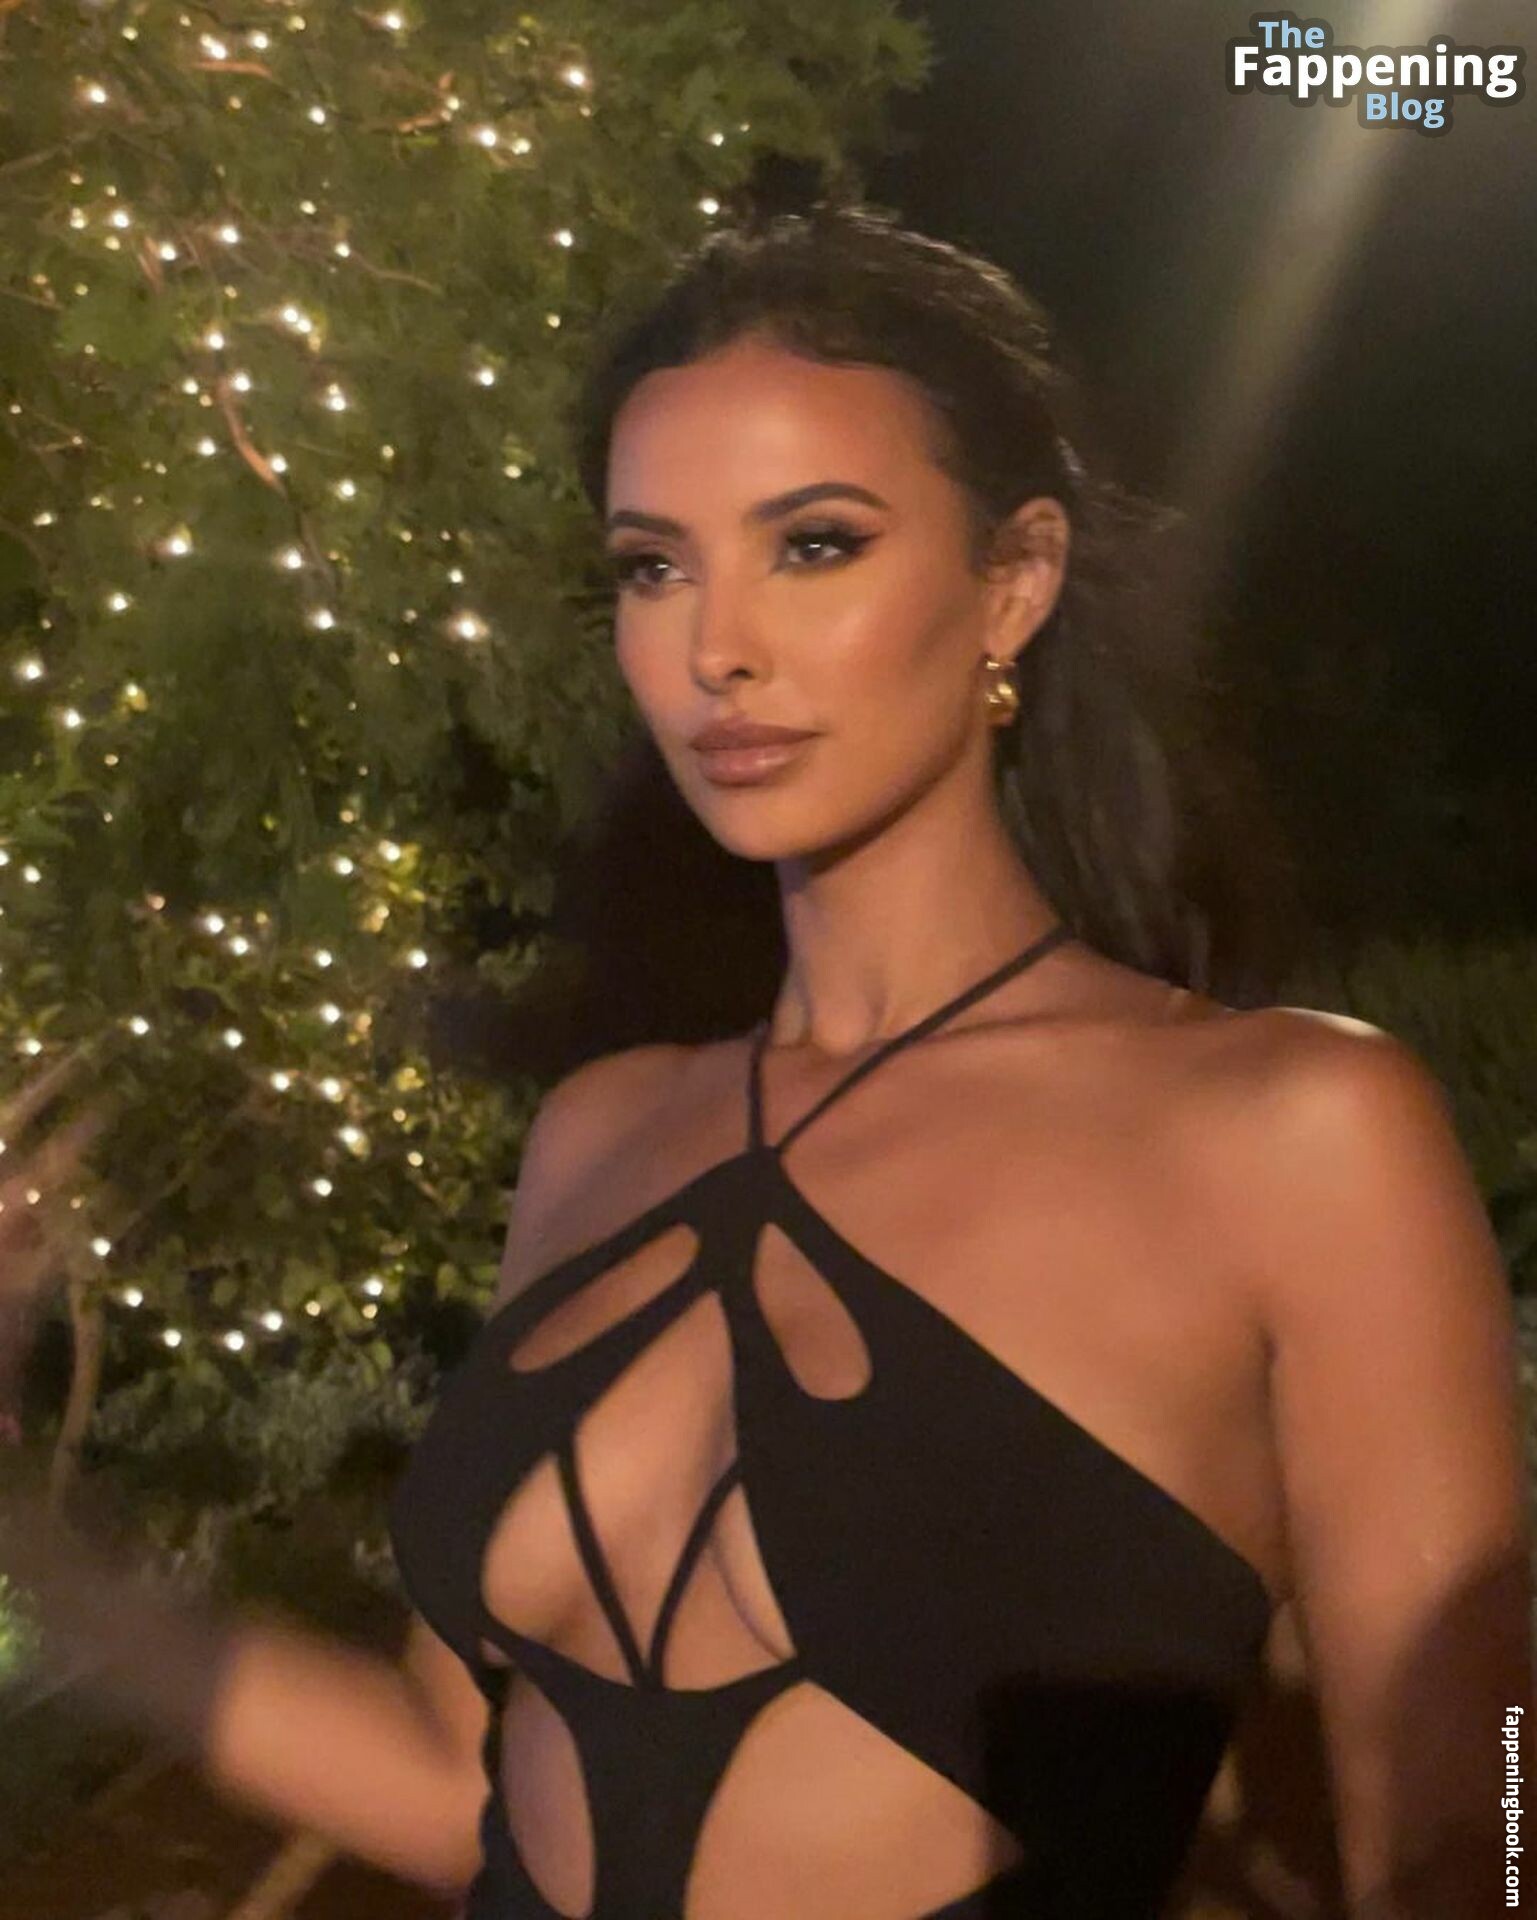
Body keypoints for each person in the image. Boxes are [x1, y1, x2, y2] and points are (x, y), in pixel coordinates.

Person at [2, 202, 1531, 1919]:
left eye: (812, 544)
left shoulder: (1294, 1131)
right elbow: (455, 1785)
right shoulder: (603, 1130)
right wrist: (30, 1541)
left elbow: (1483, 1819)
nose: (714, 647)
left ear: (1012, 582)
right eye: (652, 567)